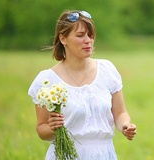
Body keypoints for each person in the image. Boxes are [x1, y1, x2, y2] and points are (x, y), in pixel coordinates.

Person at [28, 10, 137, 160]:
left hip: (104, 154)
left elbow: (120, 113)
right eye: (80, 35)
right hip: (65, 155)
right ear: (63, 39)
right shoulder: (47, 80)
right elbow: (42, 129)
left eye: (90, 35)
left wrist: (125, 125)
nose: (88, 40)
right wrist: (53, 128)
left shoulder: (107, 70)